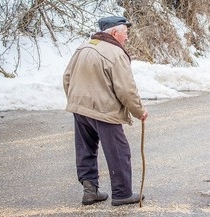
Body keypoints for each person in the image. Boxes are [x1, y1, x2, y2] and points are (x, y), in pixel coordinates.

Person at [63, 16, 148, 206]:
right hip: (103, 110)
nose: (127, 38)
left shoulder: (83, 47)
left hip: (80, 108)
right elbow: (126, 89)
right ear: (115, 33)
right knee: (119, 151)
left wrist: (75, 100)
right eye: (125, 33)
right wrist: (139, 111)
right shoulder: (115, 53)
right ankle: (122, 194)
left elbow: (67, 77)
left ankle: (90, 191)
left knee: (86, 149)